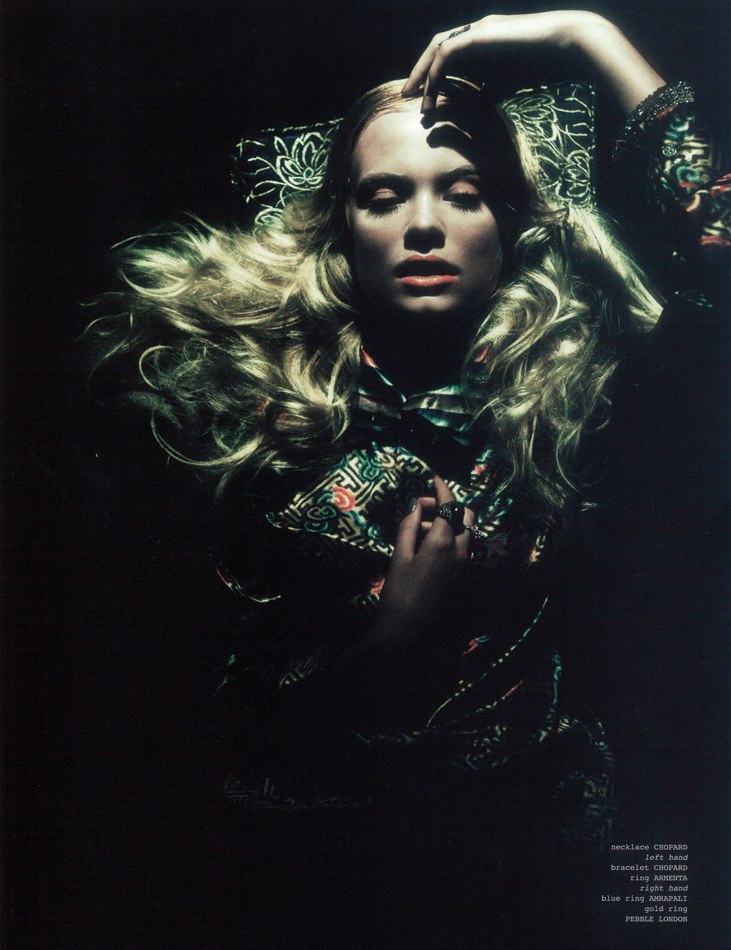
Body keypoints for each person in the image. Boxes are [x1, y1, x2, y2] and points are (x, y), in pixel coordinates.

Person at [86, 10, 728, 948]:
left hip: (554, 881)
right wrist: (392, 639)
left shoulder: (582, 402)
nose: (423, 225)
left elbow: (716, 254)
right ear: (341, 230)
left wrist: (582, 36)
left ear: (509, 225)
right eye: (383, 197)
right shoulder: (243, 426)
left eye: (463, 194)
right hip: (317, 889)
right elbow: (174, 722)